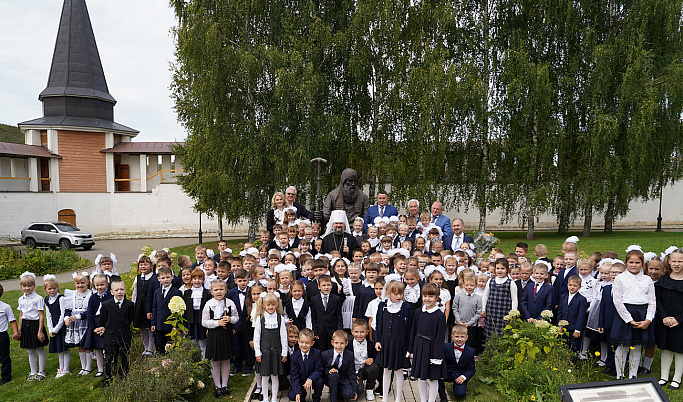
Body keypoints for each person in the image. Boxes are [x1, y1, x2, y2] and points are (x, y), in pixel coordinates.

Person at [611, 249, 655, 380]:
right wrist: (628, 319)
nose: (634, 265)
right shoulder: (620, 278)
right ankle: (620, 375)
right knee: (623, 345)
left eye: (637, 262)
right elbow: (617, 300)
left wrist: (648, 319)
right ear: (626, 262)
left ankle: (633, 374)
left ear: (642, 263)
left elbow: (652, 302)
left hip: (642, 314)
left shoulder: (647, 280)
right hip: (624, 314)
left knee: (637, 345)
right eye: (631, 262)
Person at [375, 278, 412, 402]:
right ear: (388, 293)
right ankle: (385, 397)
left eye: (401, 293)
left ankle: (398, 398)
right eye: (396, 294)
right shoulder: (382, 306)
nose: (399, 296)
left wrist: (409, 348)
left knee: (399, 371)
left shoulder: (406, 307)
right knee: (386, 370)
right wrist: (377, 340)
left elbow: (409, 329)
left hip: (399, 344)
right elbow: (378, 324)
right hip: (386, 343)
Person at [409, 283, 446, 402]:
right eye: (425, 295)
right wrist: (411, 349)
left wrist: (436, 356)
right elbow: (413, 331)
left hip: (432, 349)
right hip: (419, 347)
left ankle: (431, 400)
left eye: (431, 296)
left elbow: (440, 338)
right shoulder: (418, 312)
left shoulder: (440, 316)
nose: (427, 299)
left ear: (437, 297)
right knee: (421, 377)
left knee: (433, 378)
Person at [203, 279, 240, 398]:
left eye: (221, 289)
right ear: (212, 291)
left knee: (225, 359)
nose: (219, 292)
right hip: (214, 334)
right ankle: (217, 386)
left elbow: (236, 317)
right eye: (216, 290)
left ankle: (225, 385)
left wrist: (230, 319)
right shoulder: (209, 304)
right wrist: (217, 323)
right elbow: (204, 322)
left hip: (226, 334)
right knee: (215, 360)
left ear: (226, 291)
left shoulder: (230, 303)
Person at [655, 248, 683, 389]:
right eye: (674, 261)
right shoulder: (663, 280)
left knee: (679, 349)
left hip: (681, 322)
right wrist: (664, 316)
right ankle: (664, 377)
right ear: (669, 261)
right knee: (666, 348)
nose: (676, 264)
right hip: (664, 321)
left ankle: (676, 378)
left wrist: (678, 319)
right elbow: (657, 300)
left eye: (680, 261)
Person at [99, 278, 134, 387]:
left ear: (125, 290)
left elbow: (130, 318)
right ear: (111, 292)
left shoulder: (130, 305)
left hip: (124, 335)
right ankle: (108, 379)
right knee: (110, 358)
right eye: (116, 290)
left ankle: (123, 377)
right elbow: (103, 320)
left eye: (121, 289)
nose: (119, 292)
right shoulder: (106, 305)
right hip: (110, 335)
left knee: (124, 357)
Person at [254, 293, 289, 402]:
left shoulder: (280, 319)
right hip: (264, 352)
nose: (270, 307)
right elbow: (256, 337)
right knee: (264, 376)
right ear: (263, 305)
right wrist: (258, 353)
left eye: (273, 305)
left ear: (277, 305)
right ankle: (265, 398)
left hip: (276, 352)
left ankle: (274, 398)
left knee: (275, 376)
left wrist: (284, 352)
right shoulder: (260, 319)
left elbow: (283, 337)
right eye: (268, 305)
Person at [16, 272, 49, 380]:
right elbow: (21, 315)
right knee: (30, 350)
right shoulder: (21, 299)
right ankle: (33, 372)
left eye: (29, 286)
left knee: (39, 349)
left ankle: (41, 371)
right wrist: (19, 330)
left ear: (34, 286)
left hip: (35, 325)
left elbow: (41, 316)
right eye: (24, 286)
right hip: (25, 325)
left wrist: (40, 331)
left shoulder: (38, 298)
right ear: (21, 286)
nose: (27, 288)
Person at [83, 274, 112, 377]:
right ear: (93, 285)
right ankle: (100, 369)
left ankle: (111, 367)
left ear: (107, 284)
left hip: (108, 325)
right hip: (96, 325)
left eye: (102, 285)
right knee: (98, 348)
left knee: (109, 347)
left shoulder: (110, 296)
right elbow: (89, 314)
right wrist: (94, 328)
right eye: (97, 285)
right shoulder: (93, 298)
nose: (99, 287)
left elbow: (112, 313)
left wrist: (106, 327)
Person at [64, 271, 93, 376]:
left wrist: (77, 316)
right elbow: (67, 309)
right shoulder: (71, 295)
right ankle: (83, 367)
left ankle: (89, 367)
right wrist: (67, 318)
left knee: (87, 345)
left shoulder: (90, 294)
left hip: (86, 322)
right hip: (75, 324)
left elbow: (90, 311)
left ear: (87, 283)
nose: (80, 285)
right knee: (80, 345)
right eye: (78, 283)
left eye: (82, 283)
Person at [482, 259, 518, 339]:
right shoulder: (491, 281)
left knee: (503, 335)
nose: (500, 271)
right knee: (490, 335)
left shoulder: (511, 283)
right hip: (492, 313)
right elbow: (485, 295)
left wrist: (513, 314)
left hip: (504, 314)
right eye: (498, 268)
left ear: (507, 270)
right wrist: (483, 309)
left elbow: (514, 299)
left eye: (502, 268)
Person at [151, 267, 183, 354]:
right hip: (159, 325)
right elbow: (155, 308)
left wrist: (176, 324)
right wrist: (153, 323)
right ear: (158, 279)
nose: (165, 280)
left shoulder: (177, 292)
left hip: (170, 326)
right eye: (163, 278)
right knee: (159, 346)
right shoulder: (157, 292)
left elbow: (178, 311)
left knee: (171, 347)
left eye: (168, 277)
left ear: (172, 277)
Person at [42, 275, 69, 378]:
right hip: (53, 326)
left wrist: (57, 329)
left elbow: (63, 314)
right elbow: (48, 315)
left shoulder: (60, 298)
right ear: (45, 289)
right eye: (49, 288)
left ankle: (66, 369)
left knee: (64, 348)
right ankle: (61, 368)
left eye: (54, 288)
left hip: (61, 326)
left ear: (57, 288)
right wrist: (50, 329)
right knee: (59, 348)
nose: (52, 290)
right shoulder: (47, 300)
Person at [347, 319, 380, 400]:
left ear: (367, 332)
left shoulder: (371, 344)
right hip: (353, 371)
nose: (359, 335)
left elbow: (377, 357)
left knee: (375, 367)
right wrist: (352, 375)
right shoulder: (348, 345)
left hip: (365, 370)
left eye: (362, 332)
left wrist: (373, 359)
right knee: (359, 390)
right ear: (352, 332)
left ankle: (369, 388)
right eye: (356, 332)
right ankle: (359, 386)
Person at [289, 328, 324, 402]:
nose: (304, 345)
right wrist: (297, 392)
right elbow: (294, 376)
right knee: (292, 396)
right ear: (298, 341)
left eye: (307, 343)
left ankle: (316, 398)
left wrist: (310, 379)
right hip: (300, 381)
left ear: (312, 343)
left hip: (312, 380)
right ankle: (302, 395)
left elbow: (319, 370)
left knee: (320, 381)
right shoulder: (294, 356)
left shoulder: (317, 353)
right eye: (302, 342)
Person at [184, 268, 212, 359]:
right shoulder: (187, 293)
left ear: (203, 280)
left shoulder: (207, 293)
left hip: (202, 319)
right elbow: (184, 310)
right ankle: (193, 361)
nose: (197, 281)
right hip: (191, 319)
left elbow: (210, 310)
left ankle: (204, 361)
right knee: (192, 342)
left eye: (200, 279)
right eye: (195, 279)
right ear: (191, 280)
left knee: (203, 342)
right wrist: (184, 325)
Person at [323, 330, 358, 402]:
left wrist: (355, 390)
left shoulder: (349, 355)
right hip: (330, 378)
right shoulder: (325, 354)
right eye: (336, 343)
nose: (339, 346)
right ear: (332, 343)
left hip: (343, 378)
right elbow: (322, 368)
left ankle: (338, 392)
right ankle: (333, 399)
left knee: (350, 394)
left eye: (342, 343)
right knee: (334, 376)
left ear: (346, 343)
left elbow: (351, 373)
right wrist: (329, 371)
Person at [228, 269, 251, 375]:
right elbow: (228, 309)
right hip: (235, 324)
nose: (242, 283)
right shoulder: (230, 293)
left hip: (247, 324)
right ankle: (237, 366)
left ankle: (248, 366)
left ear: (248, 280)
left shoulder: (251, 292)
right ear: (235, 281)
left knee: (247, 346)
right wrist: (232, 326)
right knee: (236, 346)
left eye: (244, 280)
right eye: (240, 281)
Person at [132, 254, 156, 356]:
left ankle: (151, 348)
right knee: (141, 327)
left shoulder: (154, 278)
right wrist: (133, 305)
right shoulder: (137, 278)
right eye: (141, 264)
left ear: (151, 266)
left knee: (150, 327)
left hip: (149, 305)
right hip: (139, 305)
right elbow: (135, 292)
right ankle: (145, 347)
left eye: (145, 264)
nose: (143, 266)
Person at [443, 325, 476, 400]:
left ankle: (457, 388)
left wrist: (463, 377)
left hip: (460, 374)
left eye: (462, 337)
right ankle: (443, 396)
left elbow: (471, 369)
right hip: (447, 373)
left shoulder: (470, 351)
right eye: (457, 336)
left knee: (460, 394)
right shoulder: (445, 347)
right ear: (452, 337)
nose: (459, 339)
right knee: (437, 377)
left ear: (466, 337)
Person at [311, 275, 343, 351]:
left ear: (331, 286)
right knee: (321, 350)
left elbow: (339, 316)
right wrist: (315, 331)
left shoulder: (336, 299)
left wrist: (339, 331)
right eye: (324, 285)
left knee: (332, 351)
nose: (326, 287)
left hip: (333, 330)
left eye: (328, 285)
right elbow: (313, 317)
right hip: (320, 331)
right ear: (319, 286)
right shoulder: (314, 299)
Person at [558, 275, 588, 353]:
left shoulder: (582, 299)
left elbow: (581, 316)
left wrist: (577, 330)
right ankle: (564, 363)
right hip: (564, 327)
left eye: (575, 286)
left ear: (579, 287)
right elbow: (560, 312)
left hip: (574, 328)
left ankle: (572, 364)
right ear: (567, 285)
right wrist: (560, 326)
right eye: (570, 285)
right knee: (563, 346)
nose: (572, 287)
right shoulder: (563, 296)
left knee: (574, 348)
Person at [451, 276, 482, 352]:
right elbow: (455, 308)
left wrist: (469, 323)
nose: (469, 287)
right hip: (459, 324)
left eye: (472, 285)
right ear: (463, 285)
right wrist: (459, 321)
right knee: (458, 341)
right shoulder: (459, 296)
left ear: (475, 286)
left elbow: (478, 313)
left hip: (471, 326)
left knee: (470, 343)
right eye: (467, 285)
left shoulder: (478, 298)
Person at [0, 284, 17, 385]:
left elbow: (12, 320)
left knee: (4, 357)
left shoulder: (6, 307)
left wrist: (15, 333)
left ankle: (6, 377)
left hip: (2, 336)